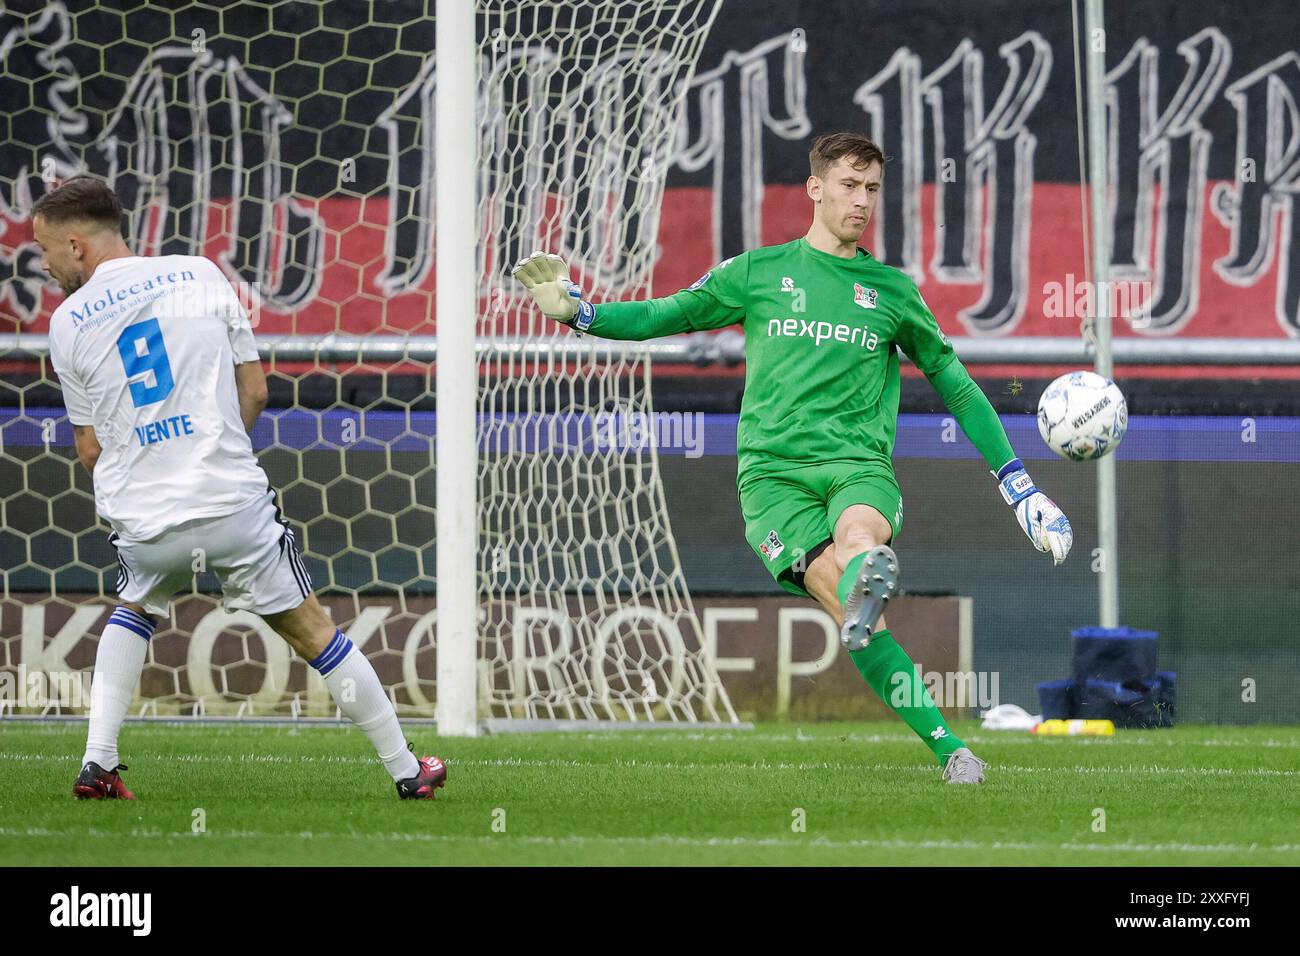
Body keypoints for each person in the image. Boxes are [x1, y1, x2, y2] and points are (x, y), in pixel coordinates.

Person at [513, 132, 1073, 784]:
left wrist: (1020, 487)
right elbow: (666, 315)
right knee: (853, 617)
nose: (861, 201)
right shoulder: (757, 273)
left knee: (859, 534)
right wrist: (581, 314)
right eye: (848, 185)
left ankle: (883, 601)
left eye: (871, 189)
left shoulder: (891, 291)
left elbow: (955, 383)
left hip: (855, 465)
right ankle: (947, 740)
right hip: (772, 477)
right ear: (815, 188)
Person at [32, 176, 446, 800]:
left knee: (134, 606)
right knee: (314, 632)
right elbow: (255, 391)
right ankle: (408, 773)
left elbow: (89, 448)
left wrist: (146, 471)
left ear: (77, 246)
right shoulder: (200, 274)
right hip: (233, 505)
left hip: (146, 521)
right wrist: (217, 448)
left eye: (46, 251)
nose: (44, 264)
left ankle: (97, 763)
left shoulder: (66, 324)